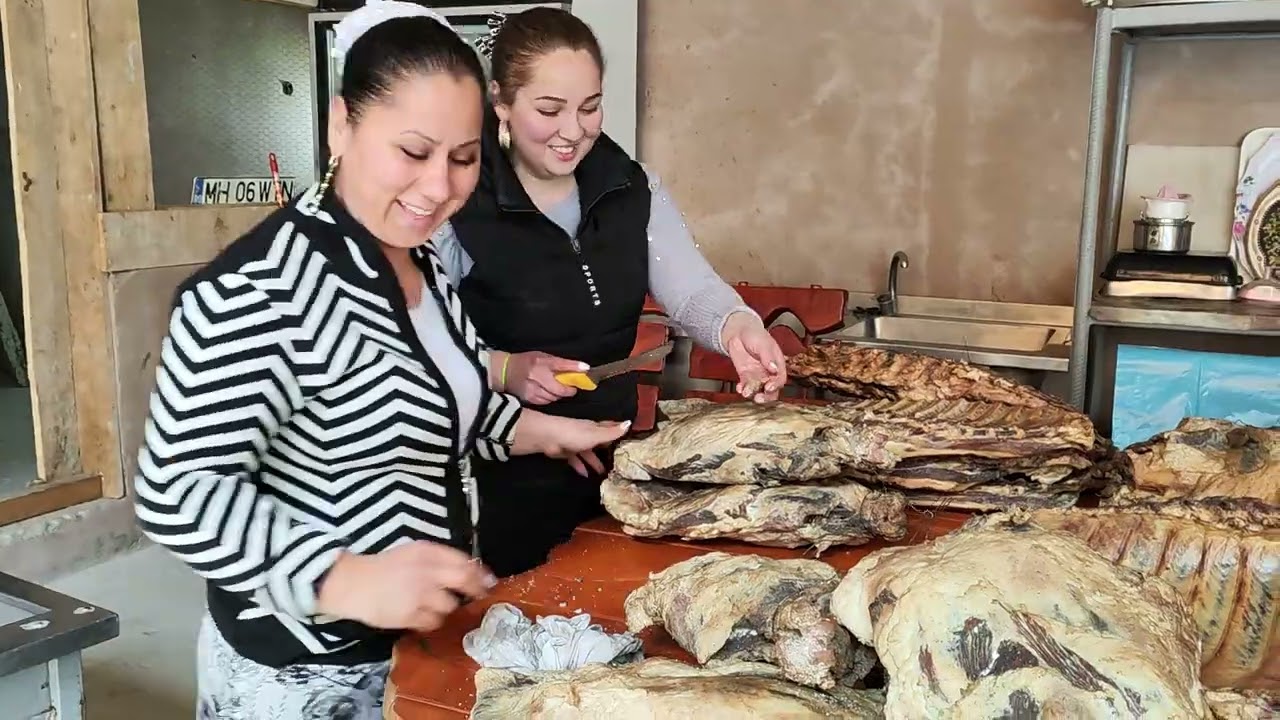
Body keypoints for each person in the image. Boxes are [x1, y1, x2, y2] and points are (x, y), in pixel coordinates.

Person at [131, 4, 628, 717]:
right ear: (342, 126)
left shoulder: (417, 261)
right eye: (413, 152)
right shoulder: (260, 290)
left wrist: (539, 431)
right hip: (303, 672)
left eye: (463, 159)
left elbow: (439, 394)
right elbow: (178, 487)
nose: (438, 188)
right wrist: (338, 578)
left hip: (411, 647)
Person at [435, 7, 790, 578]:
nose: (573, 130)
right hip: (494, 485)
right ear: (499, 101)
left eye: (590, 106)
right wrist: (501, 368)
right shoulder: (456, 201)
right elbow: (411, 347)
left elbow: (691, 285)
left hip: (614, 469)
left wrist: (735, 326)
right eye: (548, 109)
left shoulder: (628, 184)